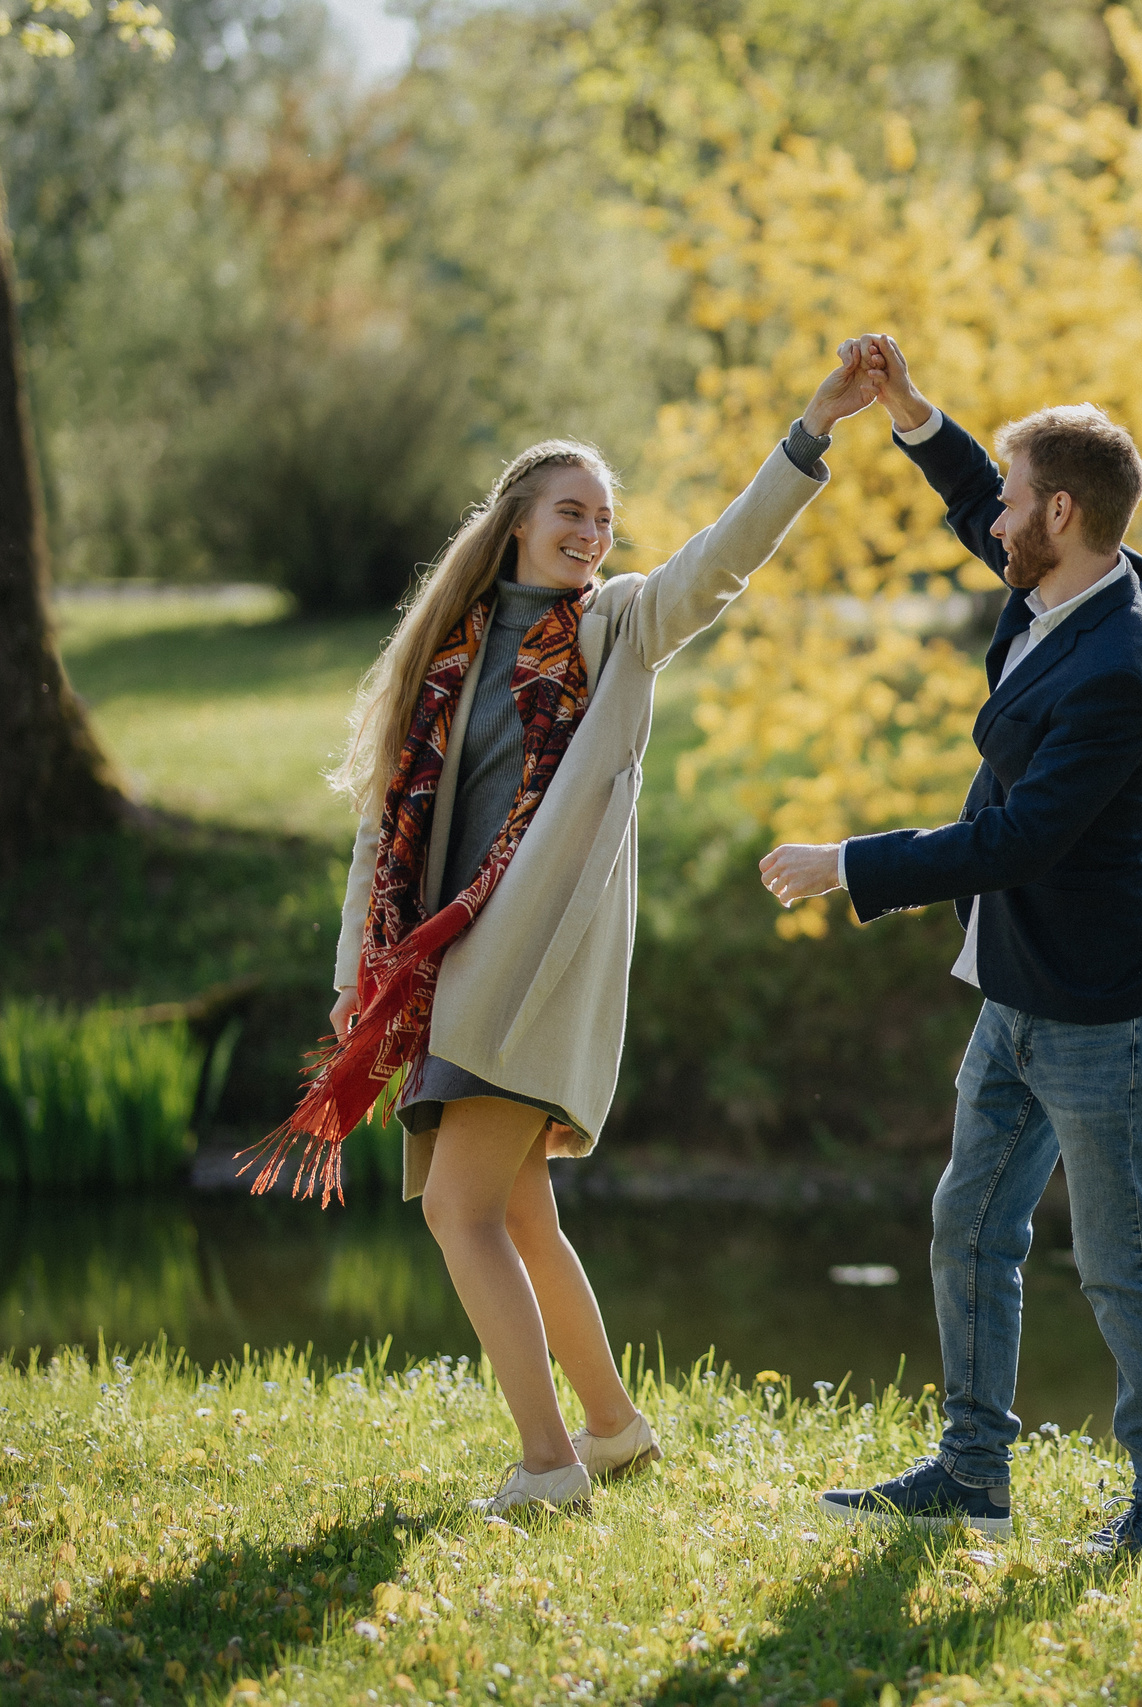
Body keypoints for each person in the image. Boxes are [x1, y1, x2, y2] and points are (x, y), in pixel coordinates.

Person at [253, 340, 879, 1515]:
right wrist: (356, 974)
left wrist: (811, 431)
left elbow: (720, 561)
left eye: (605, 517)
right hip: (442, 970)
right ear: (516, 523)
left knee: (459, 1210)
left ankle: (549, 1472)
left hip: (533, 969)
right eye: (570, 512)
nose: (592, 532)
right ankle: (613, 1429)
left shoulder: (615, 631)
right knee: (519, 1211)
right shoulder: (443, 655)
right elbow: (380, 828)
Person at [758, 334, 1142, 1558]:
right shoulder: (1080, 577)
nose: (993, 519)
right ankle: (970, 1474)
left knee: (1120, 1268)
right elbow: (978, 505)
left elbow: (1016, 842)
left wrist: (849, 863)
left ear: (1058, 513)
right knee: (969, 1225)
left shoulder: (1120, 666)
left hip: (1103, 1008)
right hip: (1017, 984)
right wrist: (911, 414)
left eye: (1014, 499)